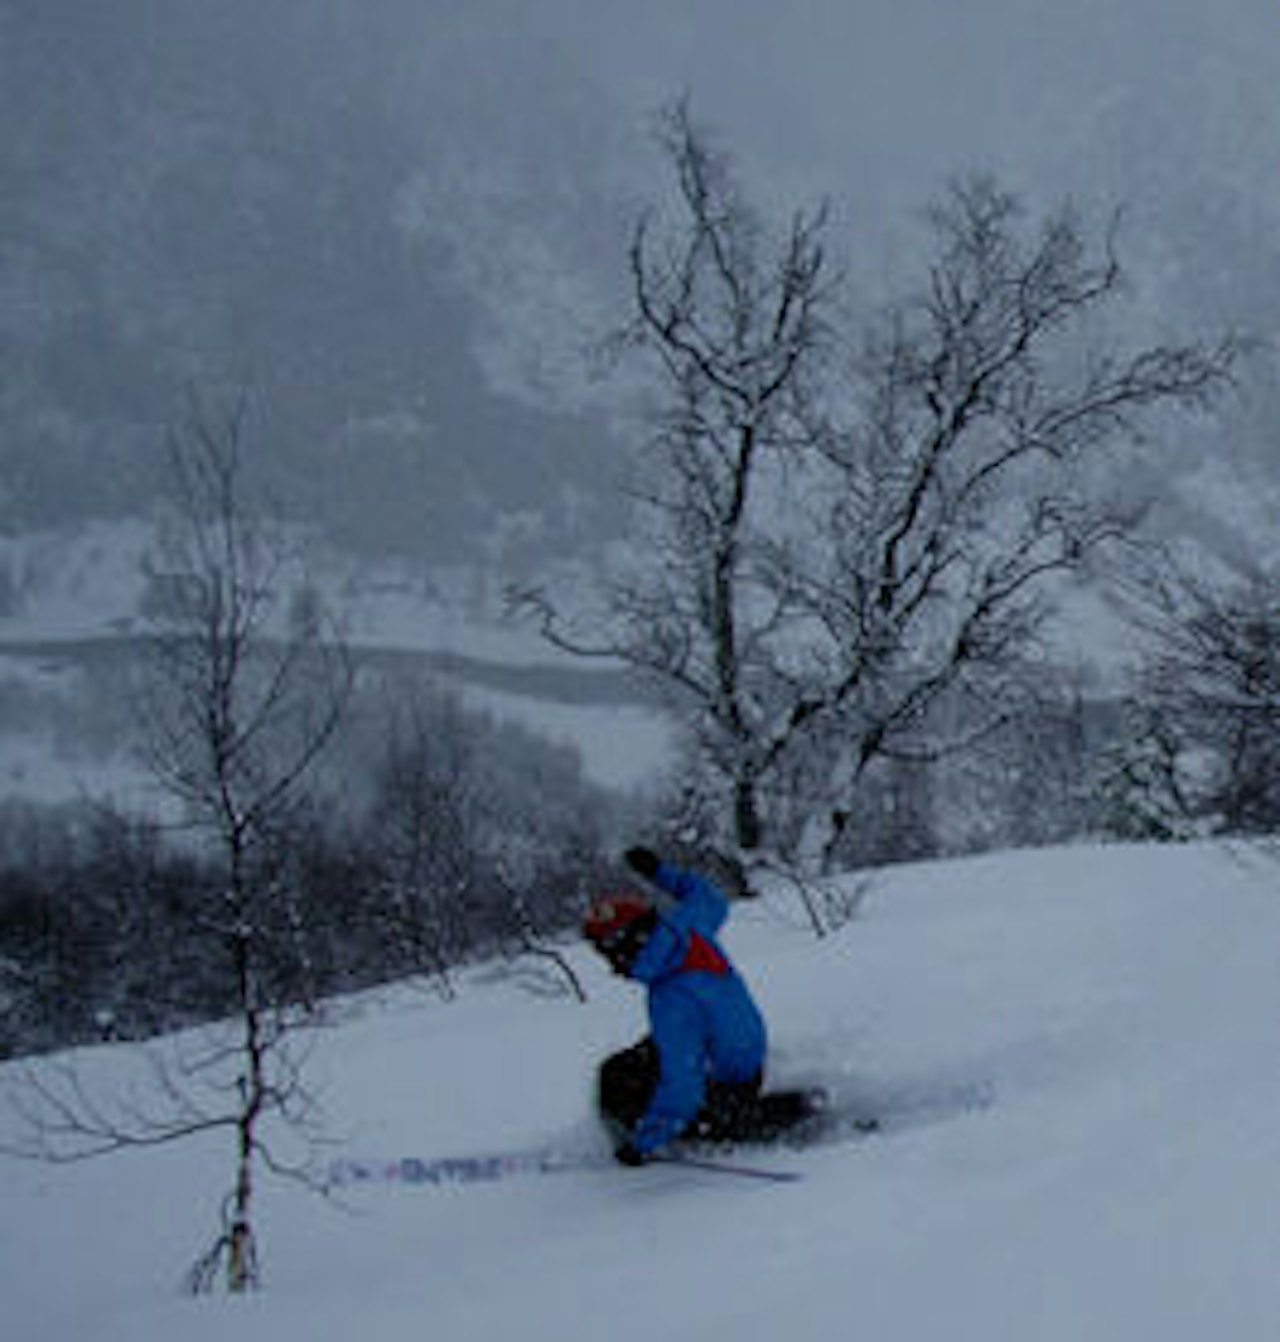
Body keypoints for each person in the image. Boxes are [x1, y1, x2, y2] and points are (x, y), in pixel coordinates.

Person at [583, 846, 770, 1166]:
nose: (611, 966)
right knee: (647, 1056)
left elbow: (684, 1086)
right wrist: (659, 872)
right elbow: (710, 897)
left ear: (626, 944)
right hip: (748, 1054)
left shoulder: (670, 999)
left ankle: (689, 1131)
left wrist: (643, 1144)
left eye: (607, 953)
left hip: (729, 1085)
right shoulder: (687, 925)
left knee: (616, 1078)